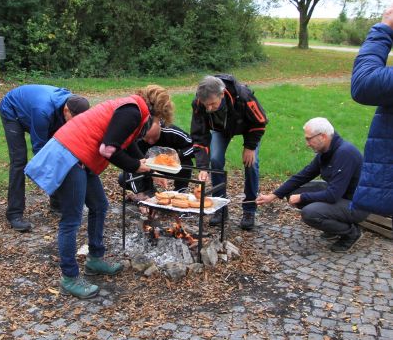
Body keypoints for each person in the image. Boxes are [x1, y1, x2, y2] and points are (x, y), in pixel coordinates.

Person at [25, 85, 174, 299]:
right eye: (159, 120)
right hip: (71, 155)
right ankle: (69, 278)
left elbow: (128, 144)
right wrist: (135, 166)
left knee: (99, 205)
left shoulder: (135, 110)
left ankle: (95, 259)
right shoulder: (133, 111)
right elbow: (108, 149)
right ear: (157, 113)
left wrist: (151, 168)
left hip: (83, 158)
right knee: (71, 219)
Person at [350, 4, 393, 340]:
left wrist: (384, 28)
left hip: (354, 203)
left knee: (316, 207)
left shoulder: (340, 153)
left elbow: (364, 83)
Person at [256, 117, 368, 253]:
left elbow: (333, 195)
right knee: (292, 193)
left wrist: (302, 197)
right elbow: (303, 175)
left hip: (356, 205)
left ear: (323, 136)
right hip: (340, 194)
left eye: (309, 139)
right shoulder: (326, 151)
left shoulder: (344, 154)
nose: (307, 143)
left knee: (310, 213)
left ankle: (351, 233)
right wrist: (273, 195)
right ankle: (333, 227)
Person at [0, 84, 90, 232]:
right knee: (19, 161)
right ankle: (14, 213)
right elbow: (40, 150)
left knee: (60, 152)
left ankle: (56, 203)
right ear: (66, 111)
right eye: (73, 120)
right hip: (12, 109)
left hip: (38, 110)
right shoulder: (42, 111)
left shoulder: (74, 103)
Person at [190, 74, 267, 229]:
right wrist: (203, 166)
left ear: (222, 94)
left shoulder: (243, 96)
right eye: (206, 105)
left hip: (248, 127)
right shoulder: (199, 103)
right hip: (220, 129)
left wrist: (250, 147)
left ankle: (249, 209)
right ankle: (220, 208)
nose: (209, 109)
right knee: (216, 160)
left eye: (212, 104)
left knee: (251, 163)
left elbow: (260, 122)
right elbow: (199, 136)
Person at [118, 121, 194, 200]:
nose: (151, 141)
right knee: (123, 179)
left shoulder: (171, 131)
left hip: (171, 167)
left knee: (186, 162)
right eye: (147, 138)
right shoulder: (136, 138)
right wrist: (141, 192)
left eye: (155, 137)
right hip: (148, 167)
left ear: (160, 128)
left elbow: (194, 146)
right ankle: (149, 192)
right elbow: (131, 164)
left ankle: (180, 190)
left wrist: (178, 156)